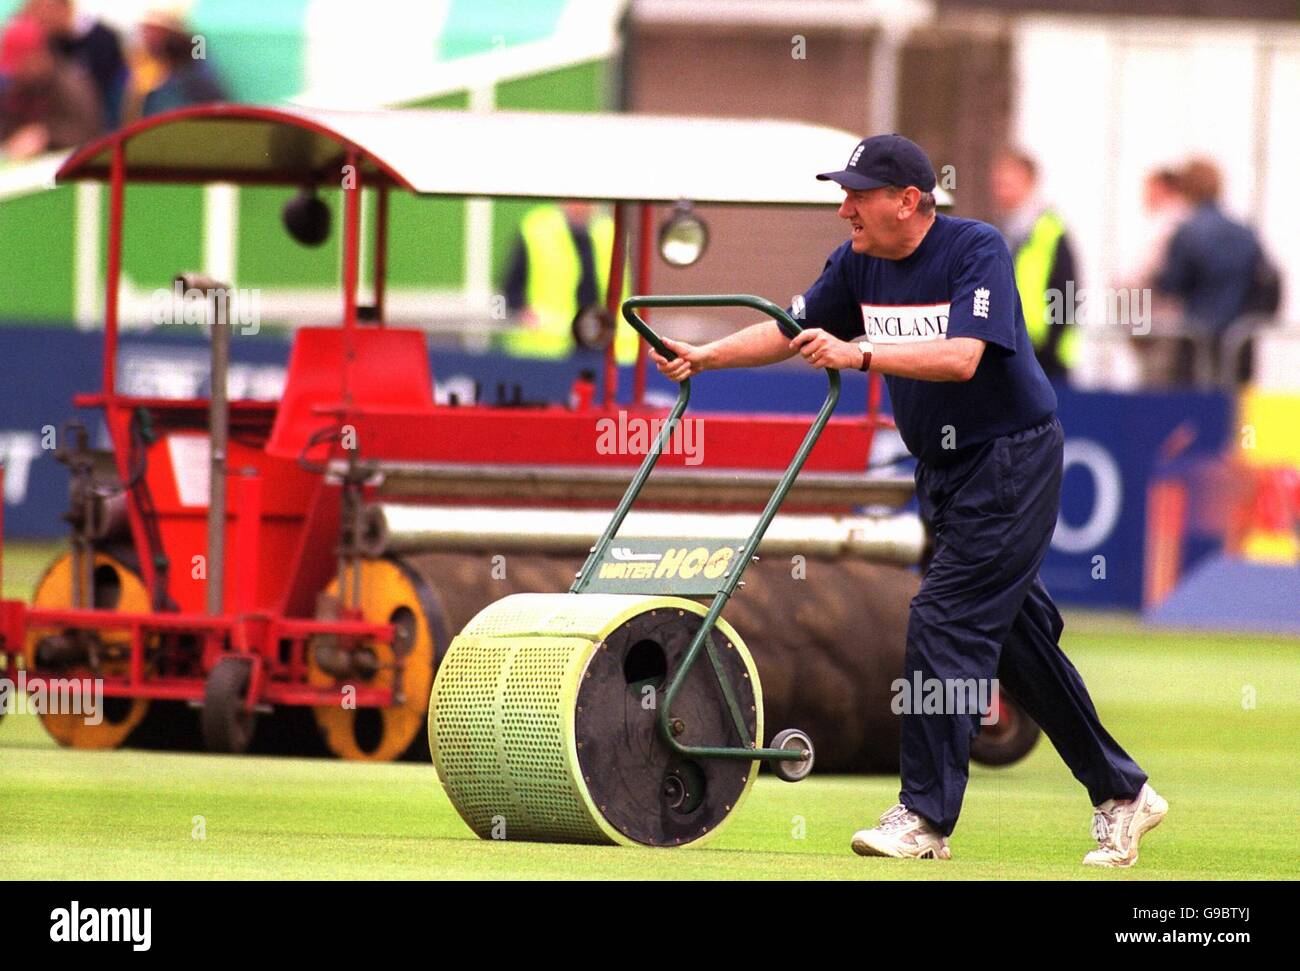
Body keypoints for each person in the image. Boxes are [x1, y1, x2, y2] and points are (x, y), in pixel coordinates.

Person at [650, 133, 1166, 867]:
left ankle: (924, 817)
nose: (843, 209)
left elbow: (963, 356)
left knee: (943, 618)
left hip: (1010, 459)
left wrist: (859, 353)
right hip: (945, 472)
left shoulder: (974, 249)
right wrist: (706, 357)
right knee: (1015, 645)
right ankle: (1124, 793)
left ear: (909, 201)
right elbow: (792, 326)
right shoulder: (859, 262)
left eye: (857, 194)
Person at [1154, 158, 1263, 384]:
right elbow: (1264, 281)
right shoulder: (1246, 232)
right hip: (1238, 341)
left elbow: (1170, 283)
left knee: (1196, 412)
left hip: (1196, 340)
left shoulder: (1187, 232)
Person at [501, 200, 636, 364]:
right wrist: (523, 312)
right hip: (549, 346)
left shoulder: (608, 232)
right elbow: (510, 290)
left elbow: (624, 291)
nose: (580, 205)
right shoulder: (537, 229)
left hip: (606, 345)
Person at [990, 148, 1079, 381]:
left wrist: (1051, 348)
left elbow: (1067, 292)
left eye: (1008, 183)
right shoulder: (1004, 229)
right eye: (998, 184)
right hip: (1011, 346)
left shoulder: (1049, 230)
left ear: (1030, 182)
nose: (1000, 191)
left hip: (1044, 355)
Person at [0, 12, 101, 159]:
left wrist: (46, 136)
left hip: (66, 169)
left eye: (20, 62)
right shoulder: (16, 86)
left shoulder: (71, 85)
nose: (15, 71)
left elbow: (89, 133)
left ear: (39, 55)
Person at [25, 0, 126, 129]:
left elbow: (105, 92)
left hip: (103, 123)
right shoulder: (51, 42)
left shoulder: (103, 39)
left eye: (42, 13)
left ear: (63, 7)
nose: (39, 20)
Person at [133, 7, 227, 118]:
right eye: (145, 31)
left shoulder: (196, 54)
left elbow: (208, 87)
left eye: (153, 30)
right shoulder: (143, 62)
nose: (147, 36)